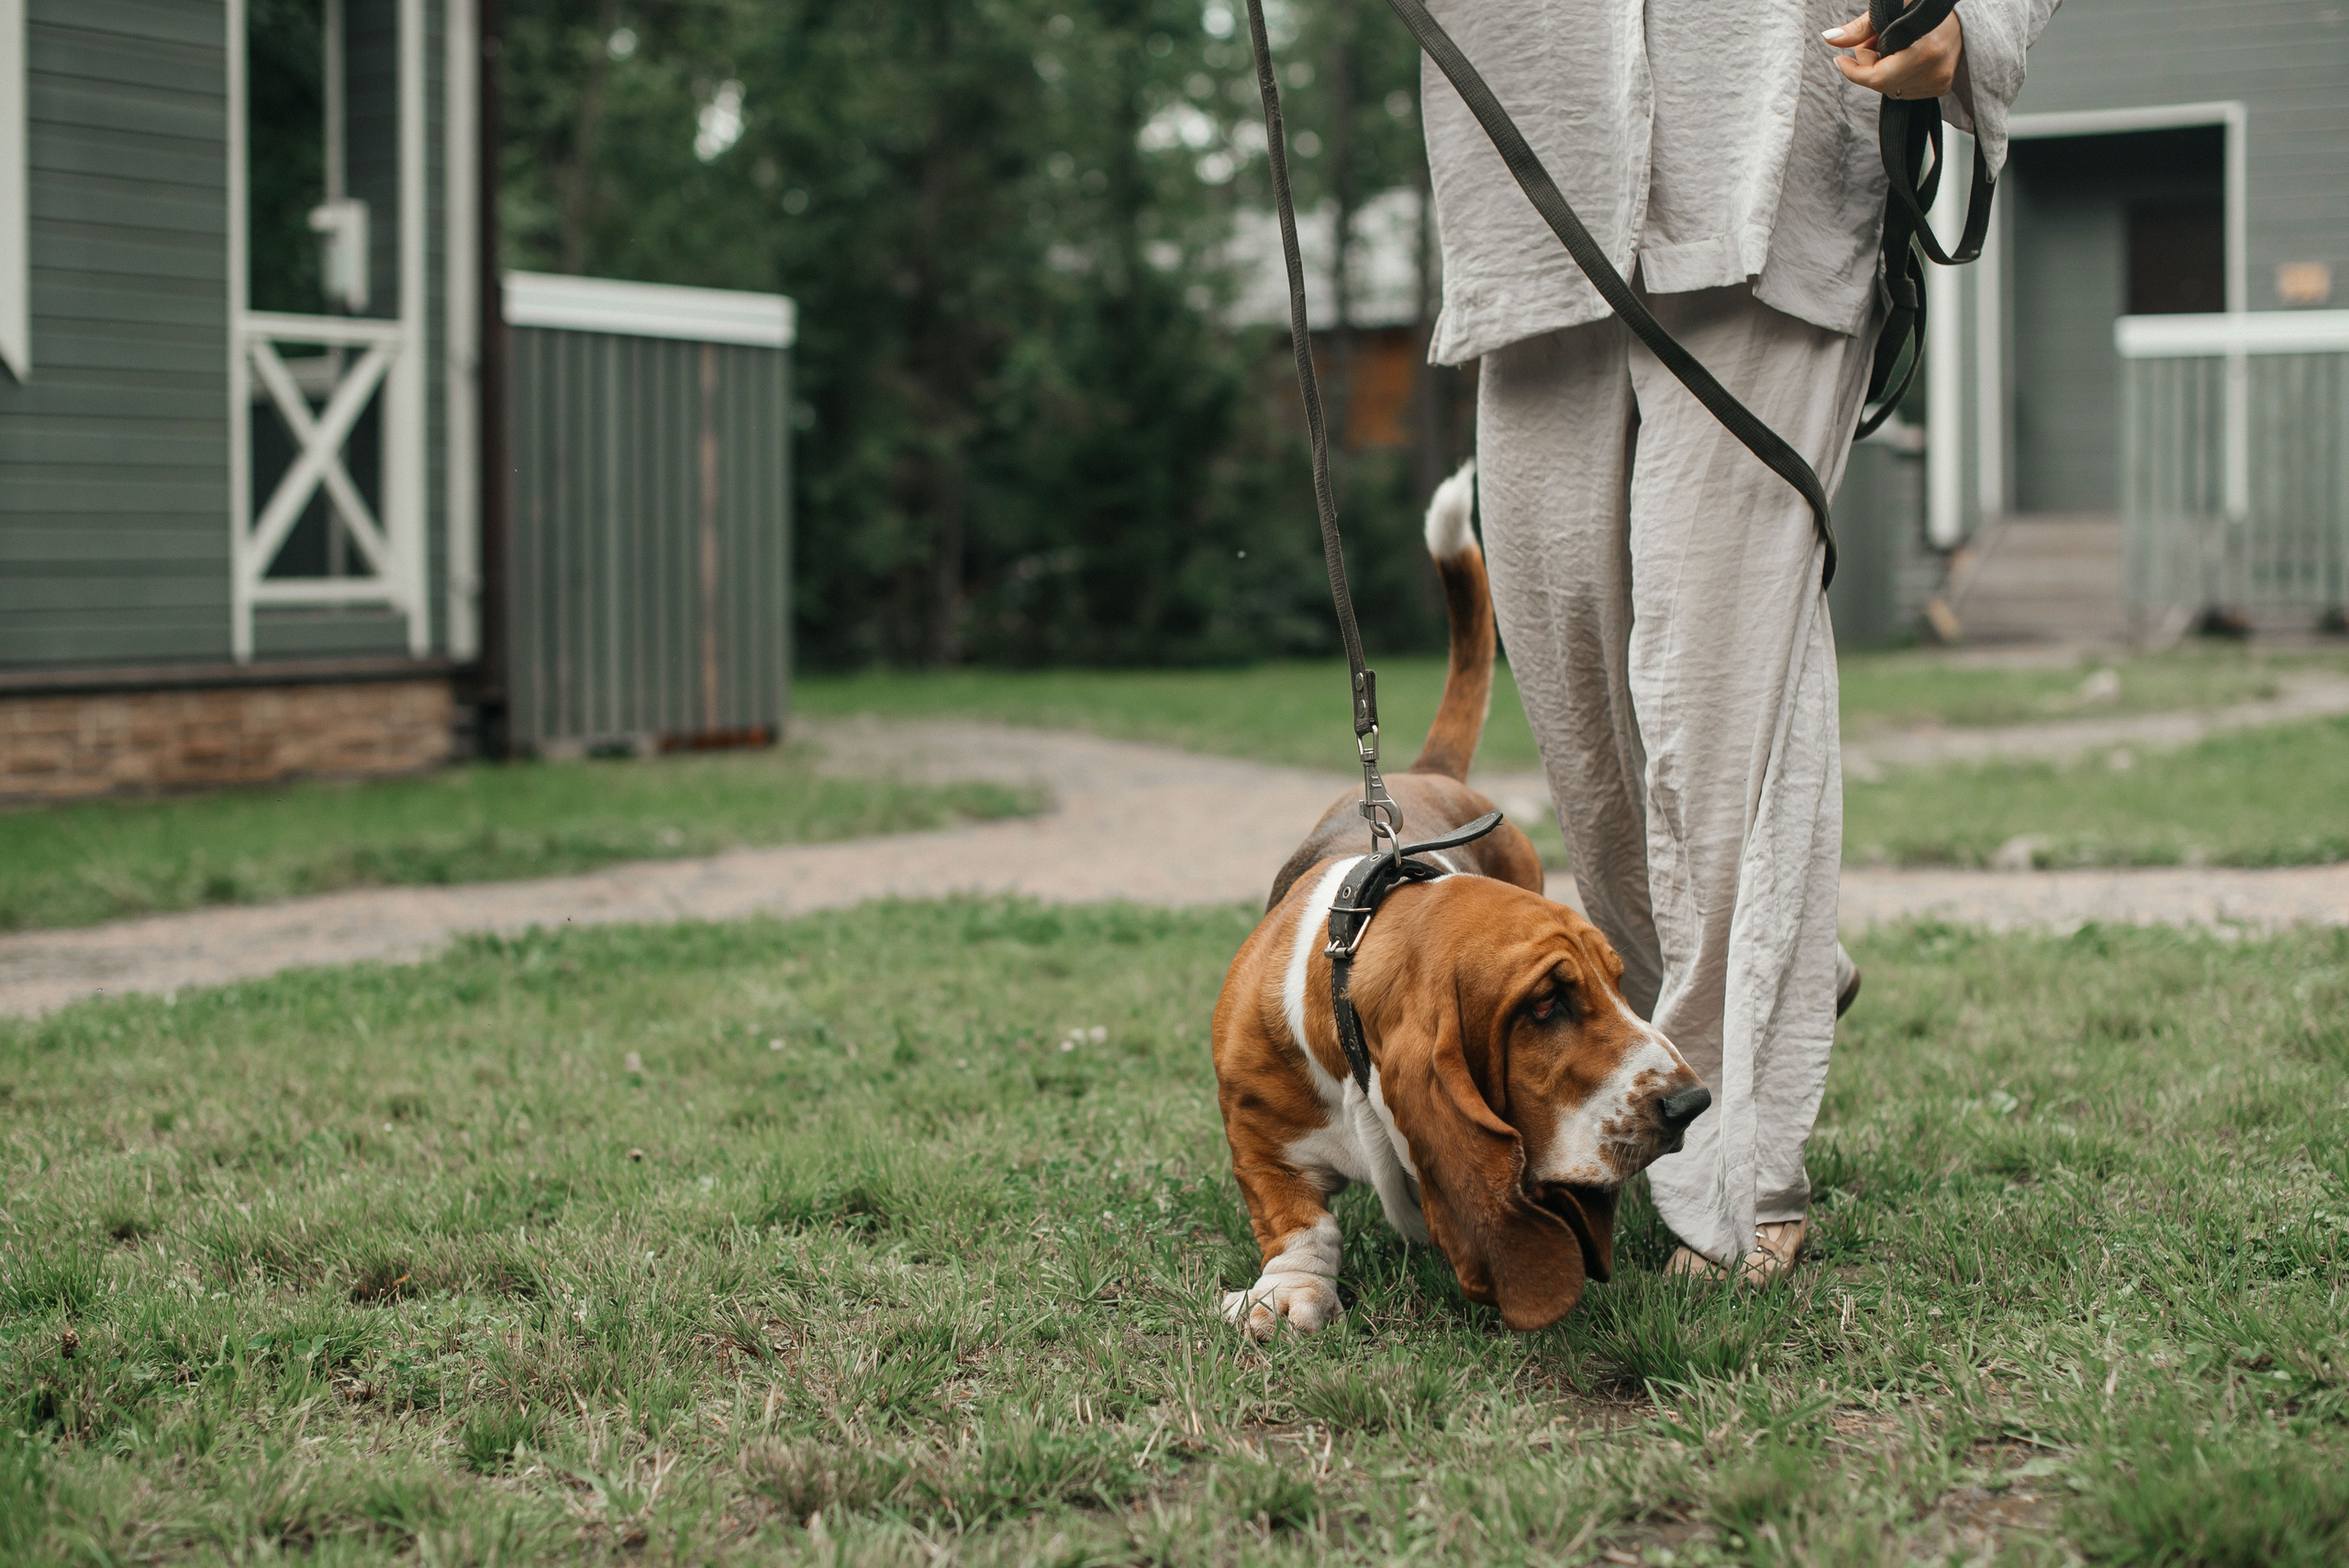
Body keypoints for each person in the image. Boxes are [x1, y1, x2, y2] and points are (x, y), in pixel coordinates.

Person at [1418, 0, 2058, 1284]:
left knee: (1720, 693)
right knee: (1583, 711)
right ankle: (1773, 973)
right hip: (1527, 176)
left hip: (1779, 159)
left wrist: (1978, 23)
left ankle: (1737, 1162)